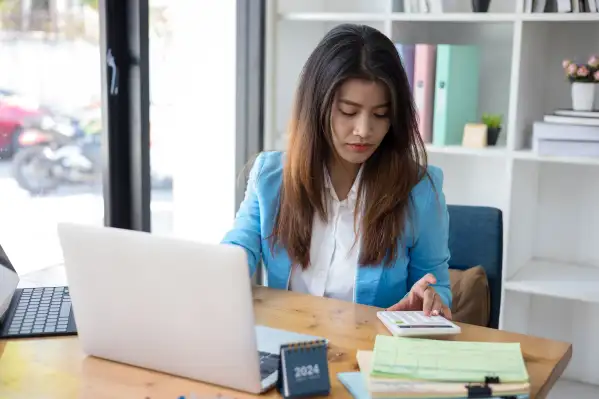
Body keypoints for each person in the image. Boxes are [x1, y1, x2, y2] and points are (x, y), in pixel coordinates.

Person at [222, 23, 452, 318]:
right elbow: (237, 250)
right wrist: (221, 271)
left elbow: (437, 285)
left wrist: (429, 301)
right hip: (287, 349)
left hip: (369, 354)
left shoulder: (420, 189)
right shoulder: (270, 178)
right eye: (348, 112)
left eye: (381, 114)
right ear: (317, 106)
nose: (364, 130)